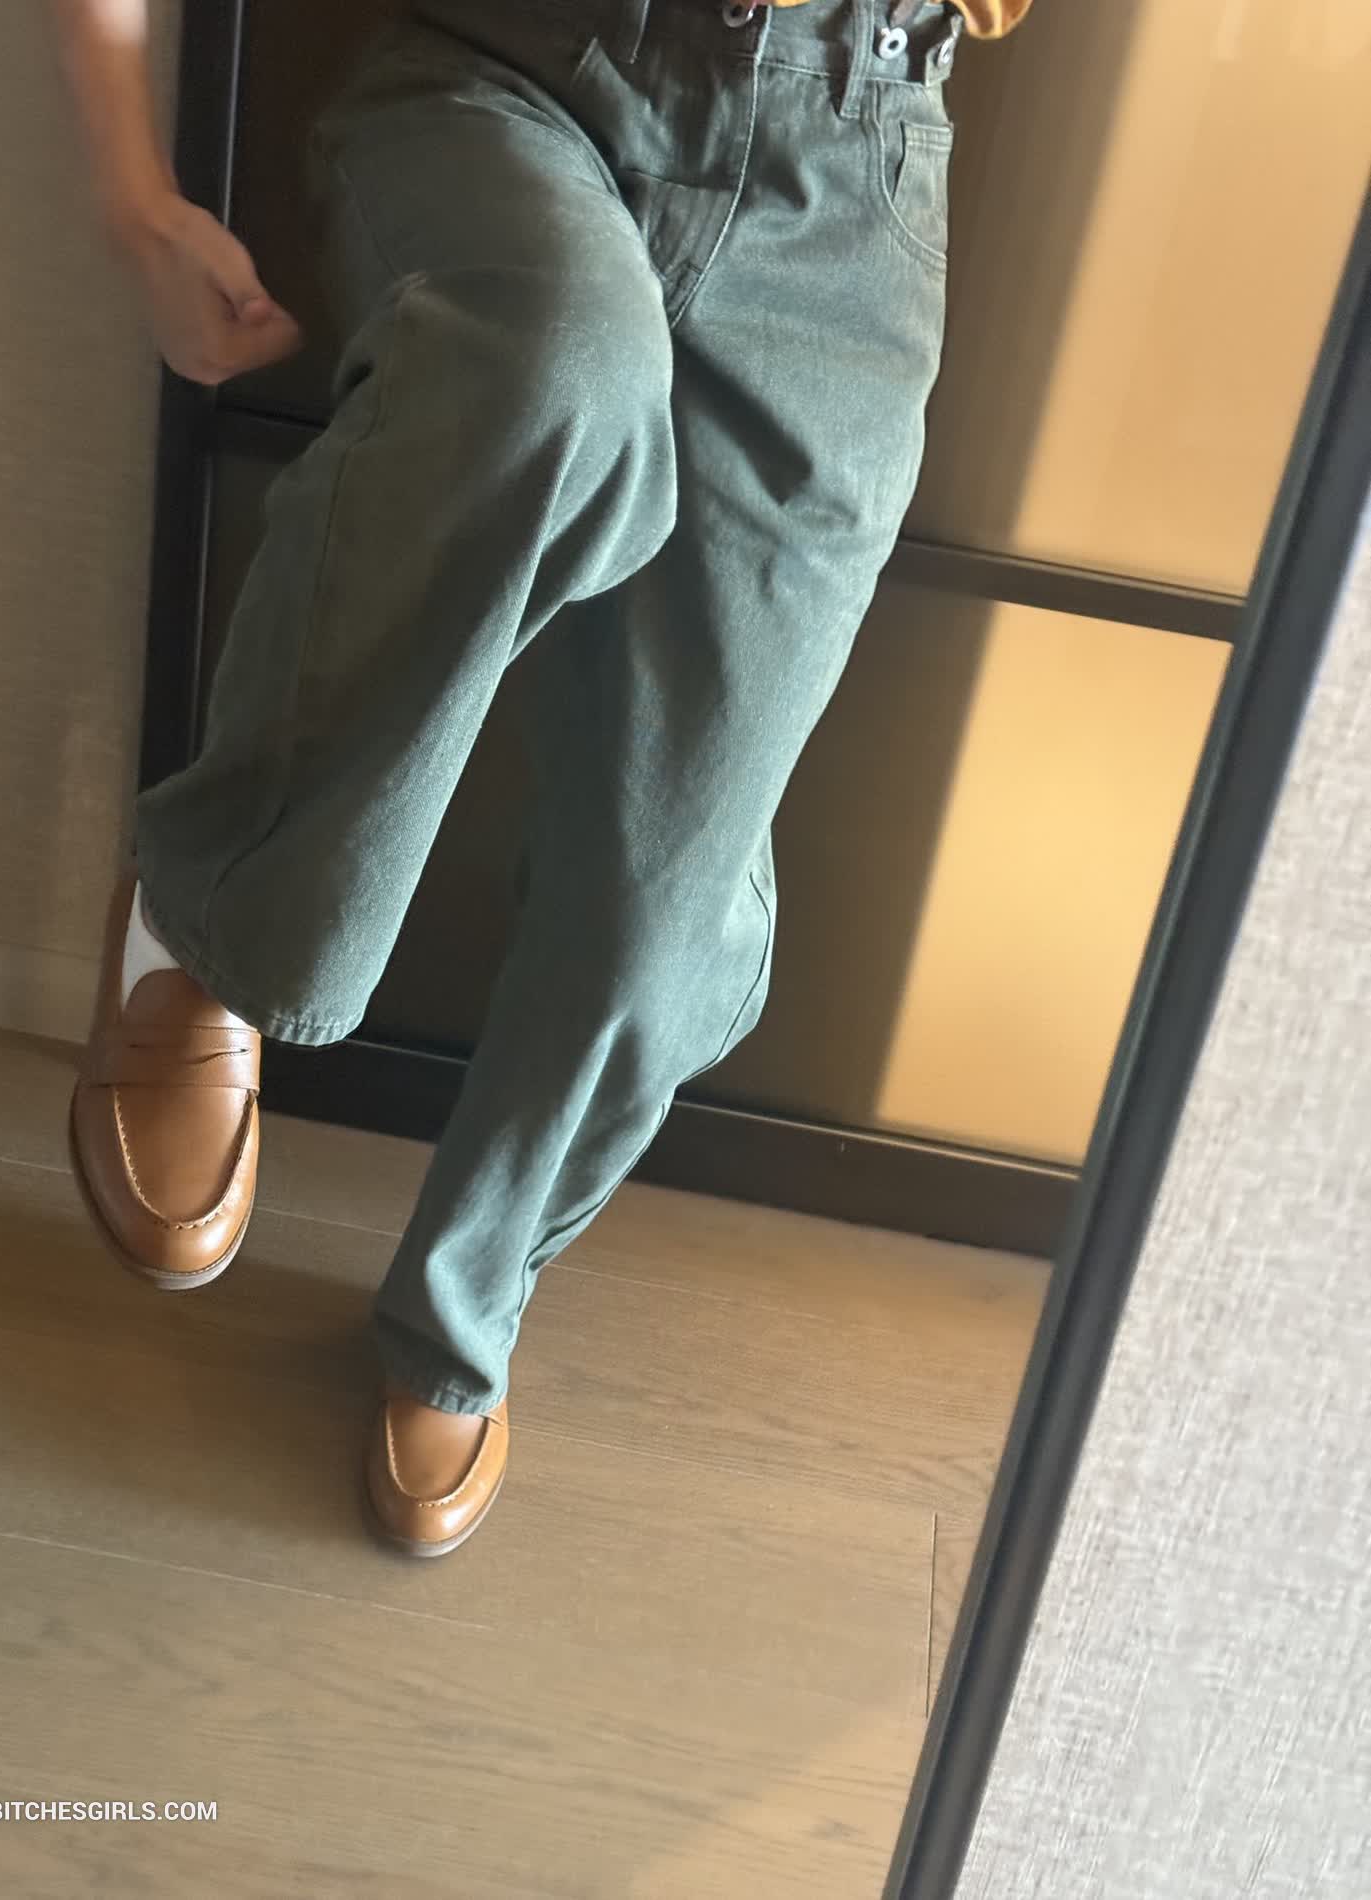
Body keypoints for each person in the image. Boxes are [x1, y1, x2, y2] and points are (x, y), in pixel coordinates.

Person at [50, 0, 1031, 1559]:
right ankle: (213, 918)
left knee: (667, 892)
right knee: (551, 380)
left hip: (856, 176)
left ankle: (470, 1298)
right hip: (522, 77)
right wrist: (130, 191)